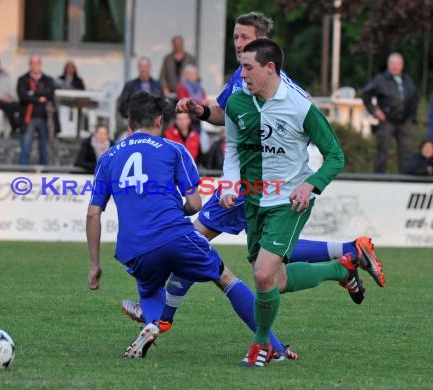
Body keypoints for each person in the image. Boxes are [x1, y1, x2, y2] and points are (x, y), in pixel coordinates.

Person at [122, 12, 378, 346]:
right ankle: (346, 257)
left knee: (193, 243)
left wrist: (292, 182)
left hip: (254, 187)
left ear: (262, 44)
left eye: (244, 38)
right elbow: (228, 118)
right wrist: (201, 112)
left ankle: (160, 318)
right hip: (244, 183)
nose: (237, 44)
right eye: (235, 37)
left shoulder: (277, 87)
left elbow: (324, 149)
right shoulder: (244, 76)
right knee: (272, 269)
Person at [87, 90, 294, 362]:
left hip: (134, 247)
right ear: (160, 121)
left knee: (149, 289)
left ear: (129, 123)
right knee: (225, 278)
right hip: (175, 234)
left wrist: (95, 265)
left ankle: (152, 322)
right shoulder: (173, 149)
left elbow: (93, 213)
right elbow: (195, 204)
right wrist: (176, 209)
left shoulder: (108, 158)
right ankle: (274, 347)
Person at [221, 38, 385, 367]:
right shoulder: (237, 104)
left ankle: (262, 344)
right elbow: (232, 148)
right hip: (254, 202)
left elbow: (335, 156)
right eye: (241, 67)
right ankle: (340, 269)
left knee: (263, 272)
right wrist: (228, 184)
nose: (242, 74)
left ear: (270, 68)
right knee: (274, 280)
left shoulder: (299, 106)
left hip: (289, 202)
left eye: (248, 68)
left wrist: (310, 185)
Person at [362, 53, 418, 173]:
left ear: (402, 65)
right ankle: (379, 180)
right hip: (387, 120)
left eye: (397, 63)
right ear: (388, 65)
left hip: (404, 121)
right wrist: (375, 110)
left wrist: (412, 117)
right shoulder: (380, 79)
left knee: (406, 152)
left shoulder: (407, 79)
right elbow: (366, 94)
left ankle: (405, 180)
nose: (395, 66)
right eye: (392, 63)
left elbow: (414, 97)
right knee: (382, 151)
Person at [17, 55, 56, 165]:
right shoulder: (23, 79)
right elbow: (23, 96)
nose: (35, 66)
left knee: (44, 147)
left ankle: (44, 172)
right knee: (26, 145)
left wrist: (33, 93)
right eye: (33, 63)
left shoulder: (48, 80)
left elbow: (50, 94)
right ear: (30, 65)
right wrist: (39, 99)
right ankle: (22, 171)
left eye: (37, 63)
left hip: (45, 117)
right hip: (29, 117)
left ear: (40, 64)